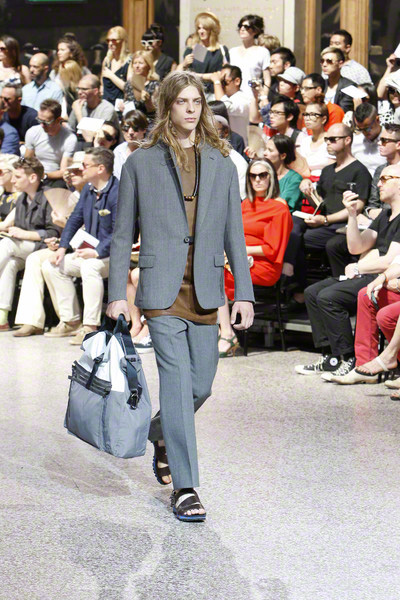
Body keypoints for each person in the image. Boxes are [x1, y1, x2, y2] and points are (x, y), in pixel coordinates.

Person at [106, 71, 254, 522]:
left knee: (200, 385)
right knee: (174, 380)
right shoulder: (139, 162)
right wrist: (117, 294)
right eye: (182, 102)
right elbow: (121, 235)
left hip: (205, 288)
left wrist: (244, 294)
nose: (191, 109)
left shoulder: (223, 163)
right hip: (160, 289)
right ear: (166, 106)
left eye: (197, 102)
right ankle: (186, 488)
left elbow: (234, 233)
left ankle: (160, 430)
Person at [295, 163, 400, 379]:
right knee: (312, 292)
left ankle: (349, 358)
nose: (378, 184)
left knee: (329, 297)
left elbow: (390, 261)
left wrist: (360, 265)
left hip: (382, 277)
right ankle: (330, 357)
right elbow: (356, 247)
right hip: (368, 272)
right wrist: (352, 215)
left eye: (385, 179)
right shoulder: (385, 215)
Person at [284, 123, 371, 304]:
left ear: (347, 140)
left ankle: (302, 287)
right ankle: (296, 284)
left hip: (343, 225)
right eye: (326, 139)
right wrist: (308, 189)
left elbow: (357, 207)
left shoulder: (359, 171)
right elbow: (321, 201)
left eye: (332, 139)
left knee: (300, 240)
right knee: (292, 229)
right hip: (325, 221)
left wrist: (325, 219)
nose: (328, 143)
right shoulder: (327, 170)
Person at [43, 148, 118, 345]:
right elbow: (75, 219)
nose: (81, 169)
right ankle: (71, 321)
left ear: (100, 168)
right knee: (51, 265)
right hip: (89, 251)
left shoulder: (118, 191)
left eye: (85, 165)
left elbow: (121, 232)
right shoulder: (88, 189)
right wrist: (62, 248)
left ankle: (90, 326)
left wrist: (97, 252)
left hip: (114, 255)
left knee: (90, 267)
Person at [218, 158, 292, 356]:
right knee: (205, 270)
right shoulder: (245, 204)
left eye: (262, 175)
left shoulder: (279, 207)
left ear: (271, 178)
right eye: (253, 176)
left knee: (216, 276)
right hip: (238, 259)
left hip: (265, 265)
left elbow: (272, 249)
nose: (257, 180)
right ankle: (218, 332)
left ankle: (227, 334)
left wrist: (241, 250)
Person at [13, 153, 84, 337]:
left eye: (77, 171)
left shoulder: (89, 195)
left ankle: (68, 320)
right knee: (27, 259)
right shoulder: (77, 195)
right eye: (70, 171)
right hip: (62, 246)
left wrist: (61, 234)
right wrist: (59, 242)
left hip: (78, 248)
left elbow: (67, 230)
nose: (71, 175)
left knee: (39, 260)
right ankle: (31, 320)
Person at [0, 157, 60, 331]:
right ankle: (2, 317)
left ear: (33, 178)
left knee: (7, 244)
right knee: (10, 263)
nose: (13, 180)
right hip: (25, 247)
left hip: (45, 247)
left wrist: (25, 234)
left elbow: (54, 232)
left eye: (18, 177)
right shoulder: (22, 199)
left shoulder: (50, 196)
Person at [25, 99, 77, 188]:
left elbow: (64, 171)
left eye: (46, 122)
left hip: (55, 178)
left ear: (58, 120)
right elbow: (28, 161)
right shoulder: (33, 132)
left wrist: (44, 175)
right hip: (35, 174)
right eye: (39, 120)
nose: (42, 125)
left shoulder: (70, 139)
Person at [177, 11, 229, 98]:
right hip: (195, 91)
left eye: (204, 28)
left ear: (211, 29)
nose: (201, 31)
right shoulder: (195, 49)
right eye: (199, 28)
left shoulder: (220, 50)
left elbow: (221, 74)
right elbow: (183, 73)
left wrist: (198, 75)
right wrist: (185, 64)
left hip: (214, 93)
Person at [68, 74, 120, 144]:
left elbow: (92, 139)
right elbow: (70, 131)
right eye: (78, 89)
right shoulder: (79, 105)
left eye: (84, 89)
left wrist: (78, 114)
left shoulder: (107, 109)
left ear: (95, 91)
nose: (79, 92)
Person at [229, 14, 270, 100]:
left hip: (253, 97)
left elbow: (267, 79)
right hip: (233, 97)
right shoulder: (232, 52)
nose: (242, 29)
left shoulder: (263, 52)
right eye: (240, 26)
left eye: (246, 27)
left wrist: (264, 97)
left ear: (256, 30)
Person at [209, 64, 250, 144]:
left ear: (237, 81)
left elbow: (223, 107)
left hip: (237, 145)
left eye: (224, 81)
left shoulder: (244, 99)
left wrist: (216, 81)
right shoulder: (221, 96)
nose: (221, 85)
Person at [263, 134, 303, 212]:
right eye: (265, 149)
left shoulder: (294, 179)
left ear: (283, 156)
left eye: (270, 150)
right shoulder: (263, 175)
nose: (265, 153)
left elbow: (282, 205)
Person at [298, 103, 334, 183]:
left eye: (312, 115)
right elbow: (302, 168)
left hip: (327, 182)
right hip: (307, 183)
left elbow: (333, 168)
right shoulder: (305, 141)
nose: (307, 118)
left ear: (323, 119)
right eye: (306, 114)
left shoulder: (331, 140)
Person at [351, 103, 386, 176]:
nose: (365, 132)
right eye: (360, 129)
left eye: (367, 128)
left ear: (377, 120)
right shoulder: (354, 142)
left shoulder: (390, 141)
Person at [123, 51, 159, 118]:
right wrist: (122, 106)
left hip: (148, 121)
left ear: (148, 66)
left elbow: (156, 112)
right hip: (131, 121)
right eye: (135, 63)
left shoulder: (154, 85)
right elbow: (126, 103)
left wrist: (148, 101)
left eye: (140, 63)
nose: (137, 66)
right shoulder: (129, 84)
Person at [320, 46, 356, 113]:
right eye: (322, 61)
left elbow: (343, 110)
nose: (324, 64)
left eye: (329, 61)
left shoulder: (349, 86)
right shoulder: (321, 84)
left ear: (340, 64)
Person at [113, 110, 148, 179]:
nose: (130, 132)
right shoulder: (118, 151)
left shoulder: (150, 151)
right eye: (126, 128)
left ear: (144, 129)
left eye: (135, 128)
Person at [101, 26, 132, 104]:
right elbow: (102, 85)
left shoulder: (130, 61)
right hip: (106, 104)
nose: (110, 43)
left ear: (123, 41)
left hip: (121, 105)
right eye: (108, 40)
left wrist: (111, 76)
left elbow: (129, 89)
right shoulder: (107, 60)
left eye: (114, 40)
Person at [0, 153, 20, 221]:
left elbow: (7, 224)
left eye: (0, 172)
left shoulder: (22, 197)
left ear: (12, 172)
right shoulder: (1, 192)